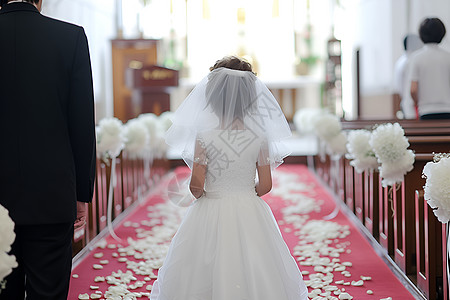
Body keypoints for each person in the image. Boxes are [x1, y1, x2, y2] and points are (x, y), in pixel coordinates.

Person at [151, 56, 308, 300]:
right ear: (251, 96)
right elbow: (266, 185)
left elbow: (197, 185)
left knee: (200, 266)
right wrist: (245, 194)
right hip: (249, 206)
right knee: (257, 264)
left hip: (210, 208)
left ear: (211, 94)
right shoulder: (259, 133)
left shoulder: (204, 133)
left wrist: (200, 192)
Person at [0, 0, 96, 299]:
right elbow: (81, 123)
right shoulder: (70, 38)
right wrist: (82, 193)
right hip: (52, 195)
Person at [410, 17, 450, 120]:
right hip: (447, 109)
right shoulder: (448, 57)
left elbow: (413, 90)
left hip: (426, 110)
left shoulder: (416, 57)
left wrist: (416, 103)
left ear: (421, 35)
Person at [393, 34, 423, 119]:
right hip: (412, 102)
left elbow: (398, 86)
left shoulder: (400, 61)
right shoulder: (410, 61)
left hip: (405, 101)